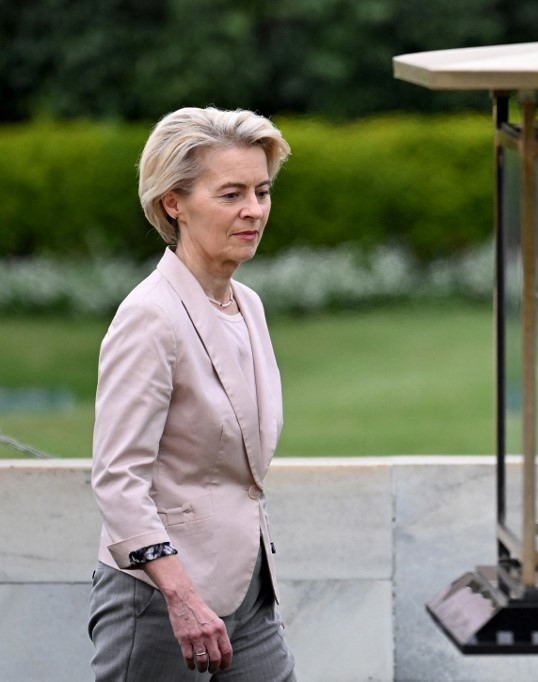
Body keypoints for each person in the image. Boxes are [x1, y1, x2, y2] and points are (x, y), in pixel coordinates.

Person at [88, 107, 296, 680]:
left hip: (250, 598)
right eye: (231, 194)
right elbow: (118, 478)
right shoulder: (150, 316)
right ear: (173, 203)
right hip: (159, 603)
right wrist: (181, 597)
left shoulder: (248, 305)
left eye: (262, 191)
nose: (254, 209)